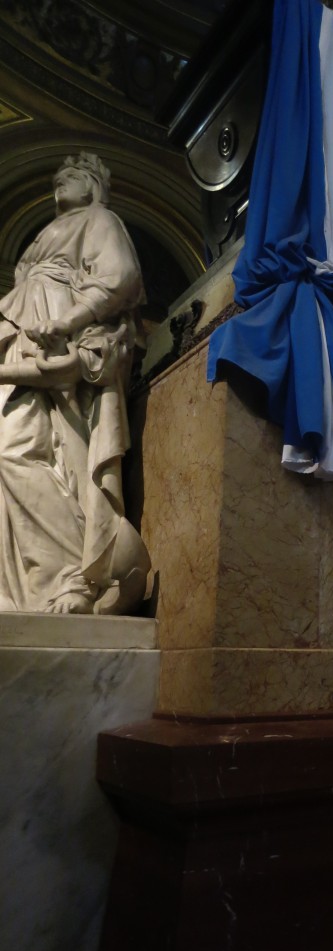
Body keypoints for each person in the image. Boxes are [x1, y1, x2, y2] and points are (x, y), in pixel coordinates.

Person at [0, 152, 150, 614]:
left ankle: (74, 572)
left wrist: (67, 321)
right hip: (24, 331)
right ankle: (29, 584)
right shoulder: (49, 233)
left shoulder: (99, 218)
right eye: (56, 176)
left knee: (24, 453)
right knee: (15, 452)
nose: (59, 180)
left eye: (72, 174)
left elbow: (120, 279)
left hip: (53, 329)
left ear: (94, 186)